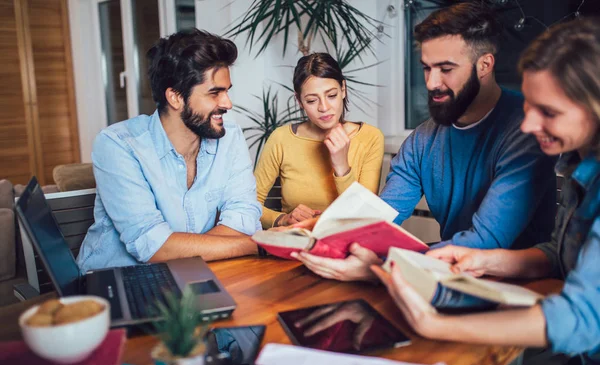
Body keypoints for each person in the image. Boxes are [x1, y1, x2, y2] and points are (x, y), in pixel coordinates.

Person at [372, 18, 600, 365]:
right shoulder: (578, 165)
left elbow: (580, 319)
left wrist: (434, 325)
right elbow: (562, 255)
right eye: (528, 105)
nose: (528, 123)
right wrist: (487, 260)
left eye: (548, 111)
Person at [291, 3, 556, 282]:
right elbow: (382, 219)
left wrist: (381, 268)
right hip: (447, 275)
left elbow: (487, 240)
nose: (431, 83)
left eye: (446, 68)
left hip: (526, 287)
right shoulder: (422, 140)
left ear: (485, 65)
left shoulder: (528, 128)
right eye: (427, 68)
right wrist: (325, 232)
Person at [77, 29, 261, 271]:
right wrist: (257, 245)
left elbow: (243, 216)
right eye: (215, 93)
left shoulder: (230, 137)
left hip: (189, 274)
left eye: (226, 91)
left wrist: (186, 252)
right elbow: (154, 246)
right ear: (175, 98)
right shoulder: (118, 144)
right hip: (115, 281)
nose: (227, 103)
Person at [254, 52, 384, 229]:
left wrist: (341, 166)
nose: (324, 107)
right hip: (296, 243)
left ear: (343, 89)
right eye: (312, 100)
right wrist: (282, 219)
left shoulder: (370, 137)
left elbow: (363, 216)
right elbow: (248, 205)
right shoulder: (281, 139)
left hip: (349, 244)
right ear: (299, 101)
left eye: (331, 95)